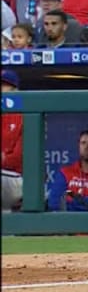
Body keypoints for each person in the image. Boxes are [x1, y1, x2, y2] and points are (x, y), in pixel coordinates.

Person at [1, 69, 22, 212]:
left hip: (16, 177)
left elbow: (17, 158)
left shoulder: (22, 114)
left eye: (4, 85)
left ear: (14, 89)